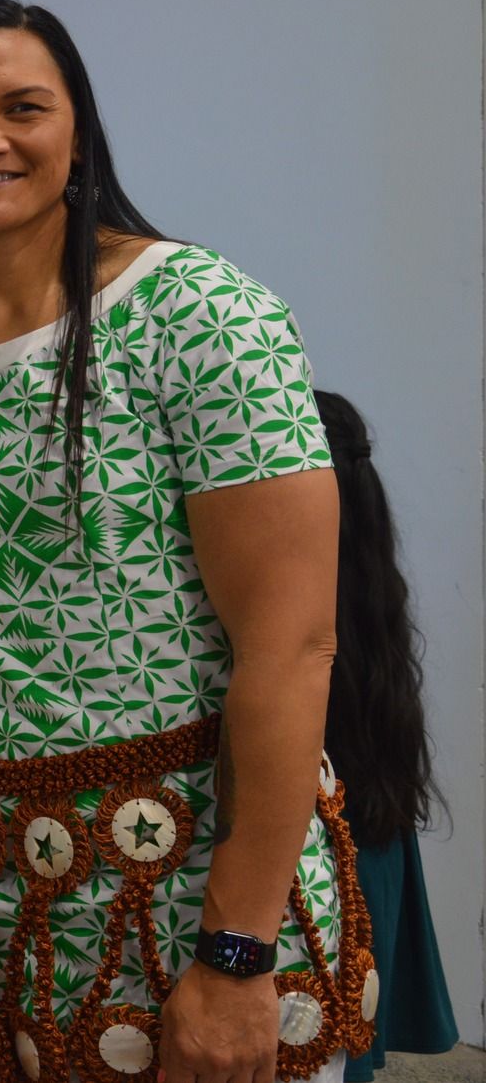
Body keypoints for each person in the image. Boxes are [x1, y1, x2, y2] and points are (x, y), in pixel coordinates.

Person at [0, 0, 373, 1083]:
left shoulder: (197, 312)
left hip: (186, 906)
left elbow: (290, 646)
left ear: (77, 133)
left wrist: (235, 953)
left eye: (20, 107)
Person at [313, 391, 458, 1080]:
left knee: (326, 1041)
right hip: (371, 837)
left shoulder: (299, 597)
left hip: (329, 857)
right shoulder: (371, 578)